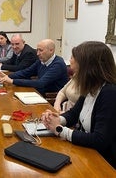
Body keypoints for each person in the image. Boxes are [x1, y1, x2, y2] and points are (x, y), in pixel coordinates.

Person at [41, 41, 116, 169]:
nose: (72, 69)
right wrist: (57, 119)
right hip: (86, 153)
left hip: (103, 163)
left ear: (90, 67)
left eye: (75, 62)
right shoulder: (91, 87)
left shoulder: (110, 93)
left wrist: (60, 130)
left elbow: (100, 140)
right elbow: (74, 114)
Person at [0, 39, 68, 96]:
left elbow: (40, 83)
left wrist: (12, 81)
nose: (37, 53)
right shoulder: (41, 60)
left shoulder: (58, 64)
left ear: (51, 50)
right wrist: (7, 76)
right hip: (38, 92)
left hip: (49, 98)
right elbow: (26, 72)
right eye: (37, 50)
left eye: (41, 50)